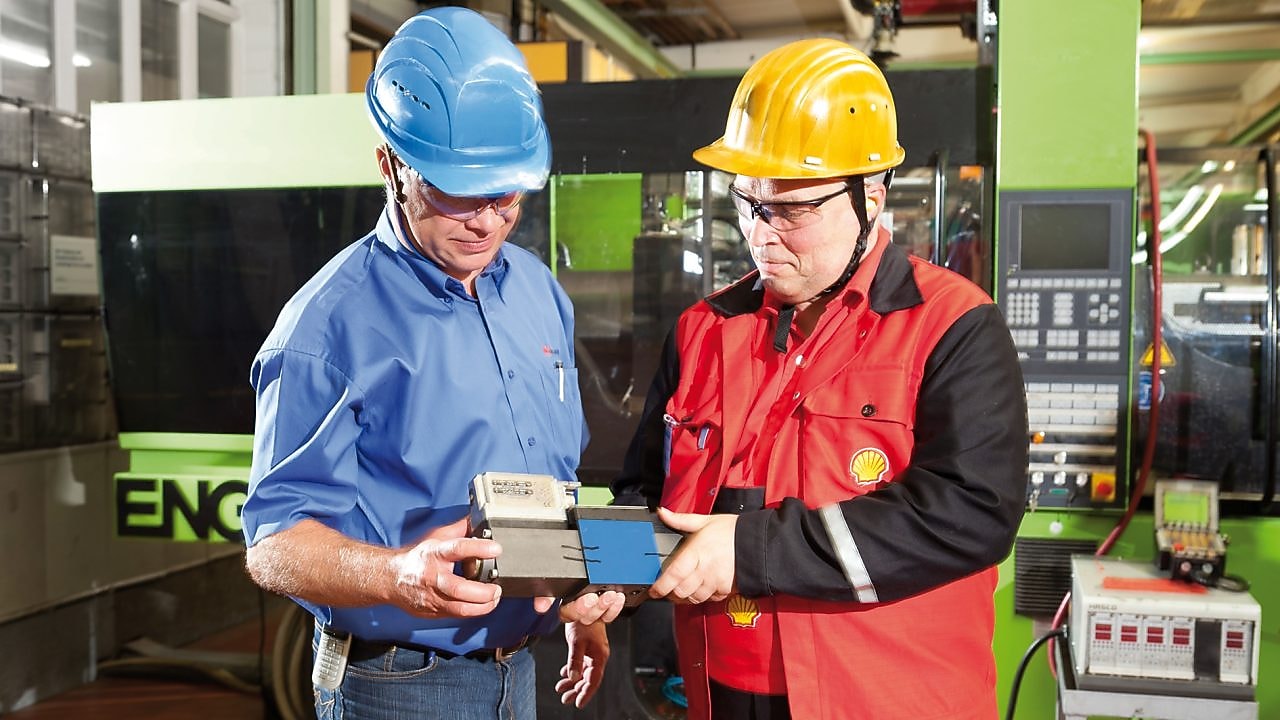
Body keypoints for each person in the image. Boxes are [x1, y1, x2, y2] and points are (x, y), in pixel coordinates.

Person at [612, 39, 1028, 720]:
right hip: (720, 695)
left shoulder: (954, 326)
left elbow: (971, 514)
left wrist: (750, 548)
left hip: (885, 701)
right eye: (748, 203)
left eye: (794, 209)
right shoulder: (701, 330)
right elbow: (644, 492)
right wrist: (612, 572)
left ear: (872, 193)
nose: (762, 235)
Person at [241, 8, 623, 719]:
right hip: (401, 685)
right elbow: (273, 544)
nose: (486, 219)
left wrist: (577, 596)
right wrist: (395, 574)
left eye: (505, 191)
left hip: (521, 668)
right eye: (455, 190)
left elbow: (551, 482)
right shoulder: (325, 327)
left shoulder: (538, 291)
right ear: (389, 163)